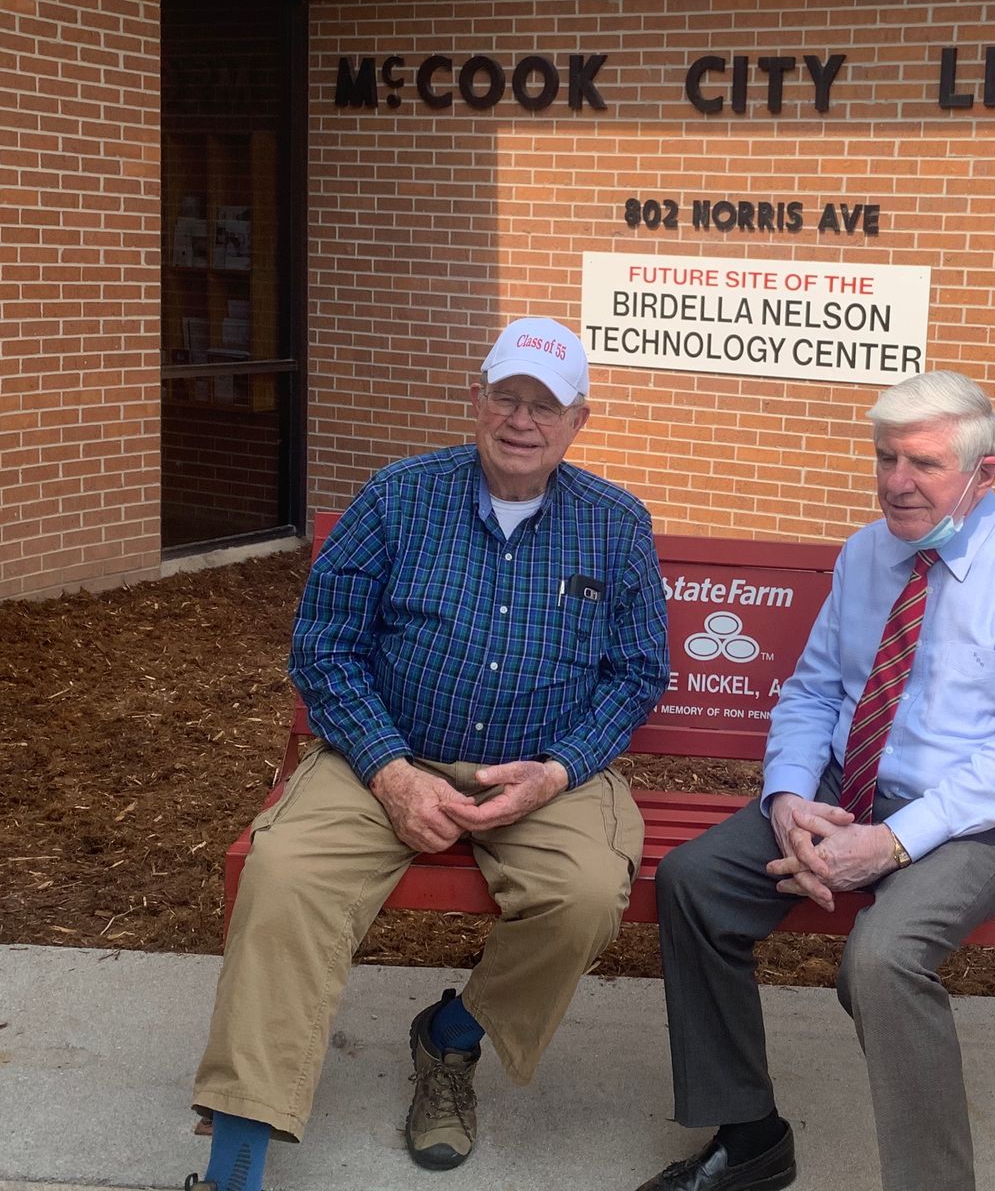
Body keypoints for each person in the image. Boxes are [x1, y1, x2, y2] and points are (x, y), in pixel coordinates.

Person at [184, 317, 669, 1191]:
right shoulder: (397, 497)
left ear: (578, 421)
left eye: (545, 406)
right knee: (286, 875)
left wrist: (557, 771)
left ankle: (452, 1038)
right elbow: (324, 647)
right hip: (385, 753)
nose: (522, 420)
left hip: (544, 770)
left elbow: (636, 676)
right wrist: (390, 770)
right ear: (475, 400)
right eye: (507, 397)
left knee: (586, 894)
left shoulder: (615, 523)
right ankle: (236, 1162)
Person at [634, 371, 995, 1191]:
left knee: (881, 959)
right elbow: (815, 691)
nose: (896, 482)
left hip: (988, 822)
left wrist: (889, 844)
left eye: (923, 464)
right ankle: (750, 1139)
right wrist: (787, 799)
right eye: (886, 458)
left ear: (985, 473)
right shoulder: (866, 552)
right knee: (695, 883)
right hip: (850, 791)